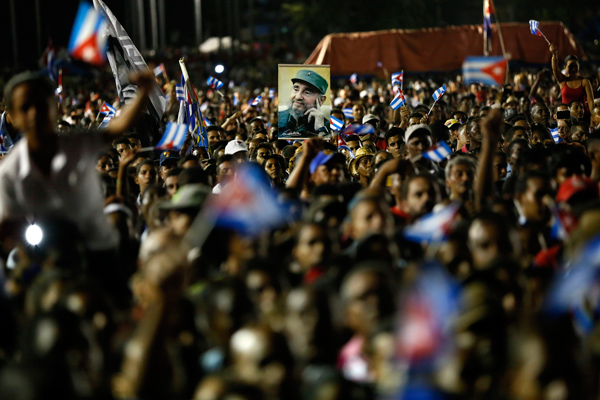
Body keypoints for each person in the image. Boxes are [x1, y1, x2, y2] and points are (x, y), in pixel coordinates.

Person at [0, 69, 155, 251]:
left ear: (56, 107)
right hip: (45, 257)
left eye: (41, 105)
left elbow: (118, 127)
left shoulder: (79, 143)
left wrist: (144, 90)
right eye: (25, 108)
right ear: (13, 116)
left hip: (98, 249)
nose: (34, 114)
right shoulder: (8, 172)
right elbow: (9, 226)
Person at [278, 69, 330, 138]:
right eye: (296, 89)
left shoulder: (329, 127)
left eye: (307, 92)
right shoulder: (277, 118)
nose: (298, 96)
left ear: (321, 100)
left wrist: (321, 130)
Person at [549, 45, 594, 115]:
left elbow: (590, 101)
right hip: (565, 115)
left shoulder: (585, 81)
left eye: (575, 66)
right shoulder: (562, 80)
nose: (573, 69)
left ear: (579, 66)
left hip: (581, 114)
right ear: (565, 67)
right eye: (570, 66)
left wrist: (592, 118)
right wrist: (554, 54)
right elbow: (555, 69)